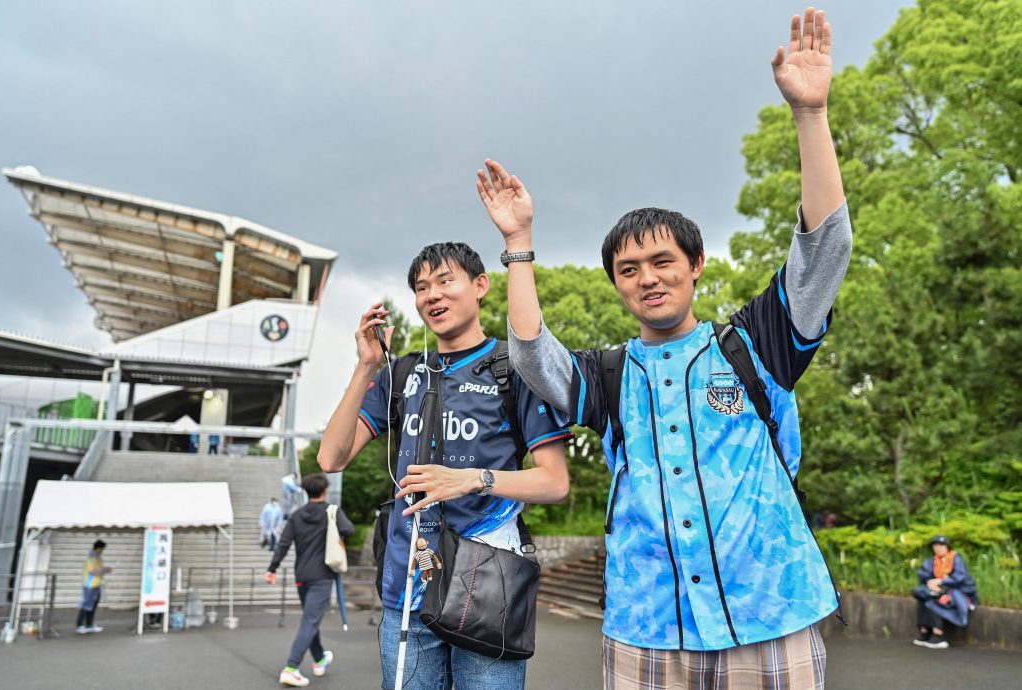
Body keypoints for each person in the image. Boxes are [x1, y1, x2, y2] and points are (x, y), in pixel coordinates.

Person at [478, 7, 851, 688]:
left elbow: (824, 249)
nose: (647, 278)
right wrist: (517, 245)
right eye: (628, 269)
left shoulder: (755, 343)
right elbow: (531, 357)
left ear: (696, 263)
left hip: (769, 613)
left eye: (660, 261)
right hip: (647, 625)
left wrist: (810, 114)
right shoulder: (609, 374)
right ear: (616, 285)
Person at [316, 242, 573, 690]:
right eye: (420, 287)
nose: (431, 295)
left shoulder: (512, 370)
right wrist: (366, 368)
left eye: (444, 281)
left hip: (487, 584)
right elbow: (330, 458)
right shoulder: (402, 374)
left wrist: (471, 480)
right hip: (407, 586)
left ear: (480, 286)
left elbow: (554, 482)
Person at [265, 473, 355, 687]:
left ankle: (320, 658)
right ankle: (291, 667)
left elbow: (284, 544)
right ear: (325, 491)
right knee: (310, 620)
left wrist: (272, 569)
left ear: (306, 491)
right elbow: (348, 530)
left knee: (310, 618)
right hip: (322, 576)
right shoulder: (331, 511)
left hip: (301, 577)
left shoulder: (296, 515)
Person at [912, 535, 979, 649]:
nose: (938, 548)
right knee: (923, 597)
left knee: (935, 599)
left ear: (947, 547)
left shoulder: (955, 559)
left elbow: (960, 578)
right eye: (936, 546)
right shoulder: (933, 561)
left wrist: (942, 582)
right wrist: (930, 583)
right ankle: (925, 631)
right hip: (939, 589)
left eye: (941, 545)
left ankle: (938, 633)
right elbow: (923, 575)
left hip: (957, 591)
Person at [75, 539, 112, 634]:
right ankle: (79, 625)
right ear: (97, 548)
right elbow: (93, 571)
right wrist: (104, 569)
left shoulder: (97, 558)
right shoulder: (92, 558)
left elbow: (98, 570)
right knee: (86, 605)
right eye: (102, 549)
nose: (102, 551)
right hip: (89, 585)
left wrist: (105, 570)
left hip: (96, 585)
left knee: (93, 606)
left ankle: (89, 624)